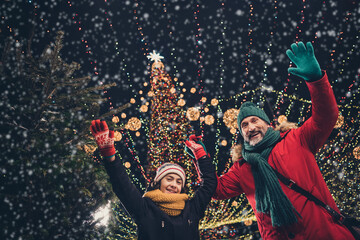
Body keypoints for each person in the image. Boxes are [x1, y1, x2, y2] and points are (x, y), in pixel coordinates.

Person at [212, 42, 355, 239]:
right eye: (244, 125)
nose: (250, 127)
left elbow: (325, 117)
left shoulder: (297, 139)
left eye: (254, 120)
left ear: (268, 123)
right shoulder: (242, 169)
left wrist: (316, 80)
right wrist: (201, 157)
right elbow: (216, 190)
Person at [90, 119, 217, 240]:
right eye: (169, 179)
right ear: (158, 182)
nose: (174, 184)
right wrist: (110, 157)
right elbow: (123, 186)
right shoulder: (145, 208)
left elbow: (210, 184)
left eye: (179, 182)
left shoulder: (192, 209)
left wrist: (201, 156)